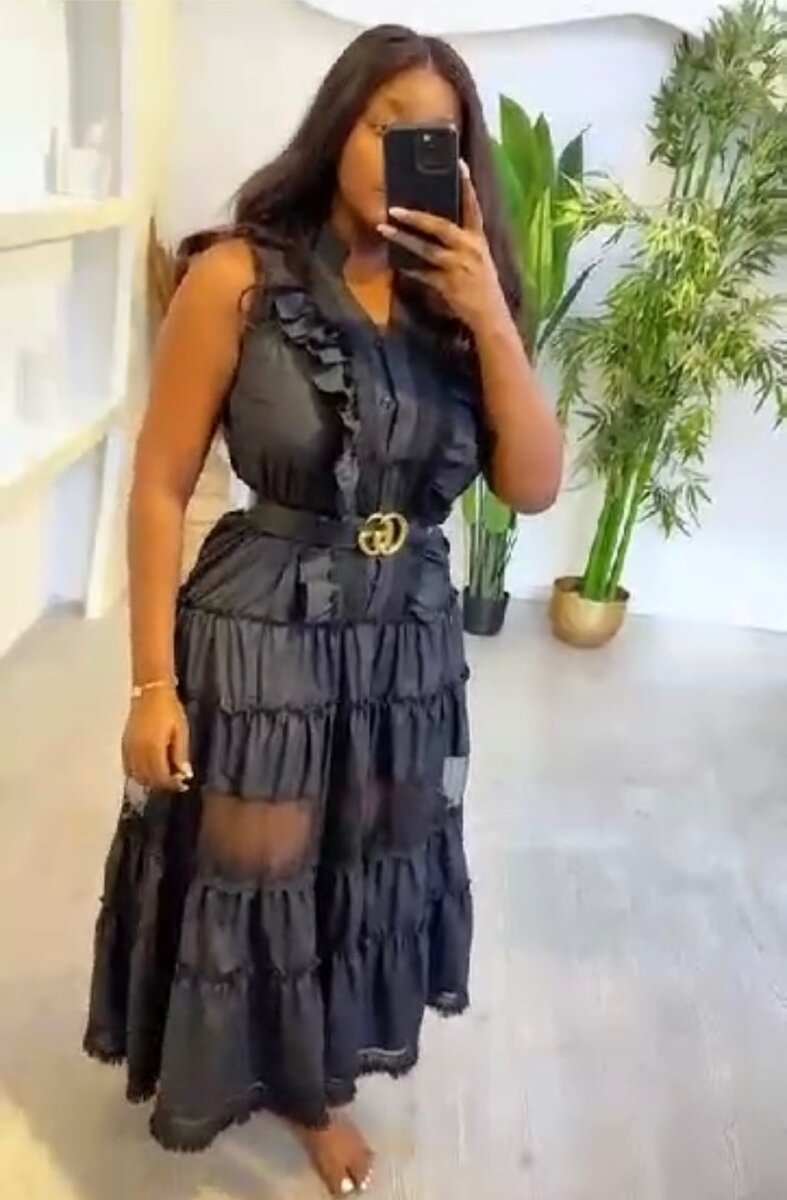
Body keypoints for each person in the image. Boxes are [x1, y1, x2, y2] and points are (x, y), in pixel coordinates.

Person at [83, 23, 562, 1198]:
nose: (401, 149)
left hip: (406, 641)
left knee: (365, 862)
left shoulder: (462, 302)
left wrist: (491, 315)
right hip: (265, 630)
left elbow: (532, 485)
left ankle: (313, 1077)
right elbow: (159, 483)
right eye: (383, 123)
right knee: (258, 867)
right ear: (337, 123)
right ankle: (273, 1082)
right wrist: (149, 683)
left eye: (432, 136)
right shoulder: (237, 280)